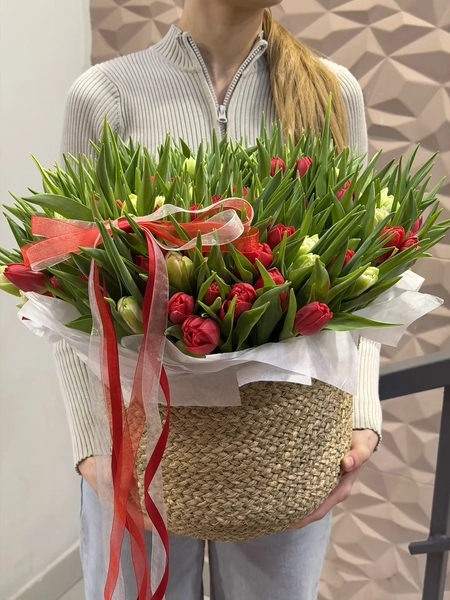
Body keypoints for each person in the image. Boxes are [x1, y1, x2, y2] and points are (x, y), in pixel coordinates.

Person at [55, 1, 382, 598]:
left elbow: (358, 275)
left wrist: (360, 418)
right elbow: (72, 283)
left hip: (282, 444)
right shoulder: (107, 95)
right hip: (137, 445)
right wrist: (92, 448)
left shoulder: (332, 92)